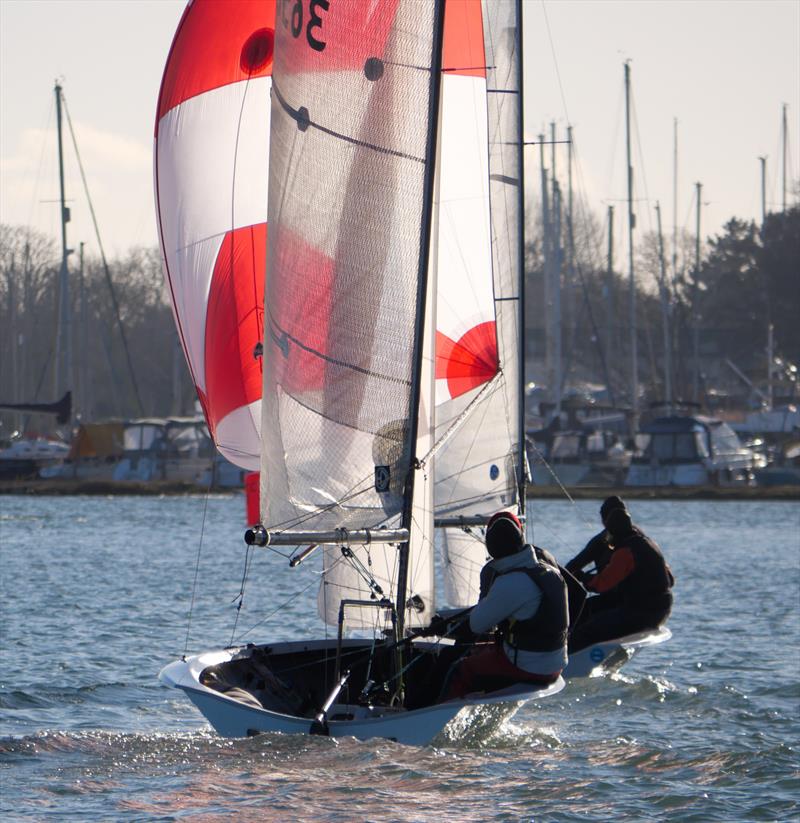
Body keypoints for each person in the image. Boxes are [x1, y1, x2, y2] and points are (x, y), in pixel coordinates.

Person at [436, 511, 569, 700]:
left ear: (491, 548)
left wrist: (444, 628)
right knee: (484, 650)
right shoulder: (548, 570)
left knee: (458, 669)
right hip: (556, 664)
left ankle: (429, 717)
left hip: (529, 667)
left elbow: (476, 625)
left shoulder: (512, 581)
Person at [569, 505, 674, 652]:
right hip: (662, 610)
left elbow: (601, 585)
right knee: (588, 610)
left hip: (643, 613)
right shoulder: (649, 543)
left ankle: (565, 662)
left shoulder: (625, 552)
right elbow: (671, 580)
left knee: (585, 631)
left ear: (612, 533)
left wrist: (582, 577)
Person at [565, 495, 627, 583]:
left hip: (617, 594)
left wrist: (583, 577)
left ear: (604, 520)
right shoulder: (640, 536)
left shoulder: (603, 539)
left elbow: (572, 567)